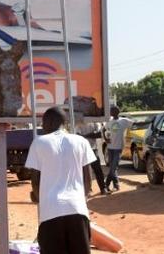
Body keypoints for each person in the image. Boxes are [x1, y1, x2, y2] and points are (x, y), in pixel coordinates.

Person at [26, 106, 97, 254]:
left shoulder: (39, 143)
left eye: (43, 123)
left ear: (50, 122)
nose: (42, 126)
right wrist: (81, 199)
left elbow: (35, 181)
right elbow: (88, 180)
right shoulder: (81, 141)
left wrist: (39, 197)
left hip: (50, 213)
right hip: (78, 210)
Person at [103, 106, 134, 192]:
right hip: (110, 147)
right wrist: (106, 139)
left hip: (118, 147)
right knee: (113, 167)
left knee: (113, 167)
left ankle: (106, 184)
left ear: (117, 111)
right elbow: (103, 129)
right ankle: (116, 185)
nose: (110, 112)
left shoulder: (123, 121)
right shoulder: (109, 121)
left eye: (112, 111)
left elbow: (134, 124)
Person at [77, 119, 109, 195]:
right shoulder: (79, 122)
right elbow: (77, 136)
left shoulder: (95, 122)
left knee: (98, 169)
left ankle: (103, 188)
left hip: (93, 148)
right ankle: (88, 189)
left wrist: (84, 136)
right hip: (82, 150)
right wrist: (91, 134)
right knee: (84, 171)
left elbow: (98, 134)